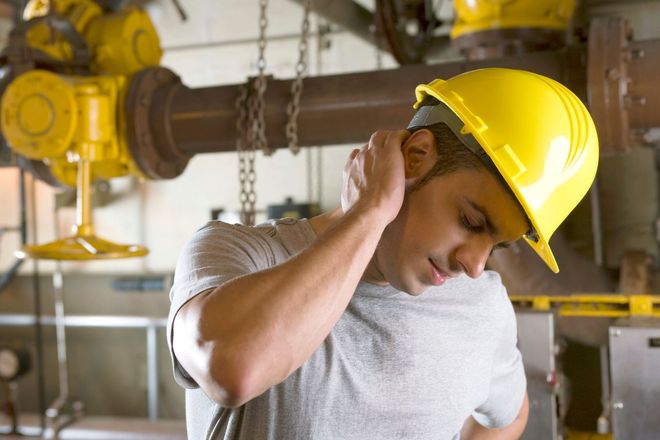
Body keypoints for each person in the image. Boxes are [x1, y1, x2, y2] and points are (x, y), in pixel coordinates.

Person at [166, 68, 599, 439]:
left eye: (497, 245)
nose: (474, 264)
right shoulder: (239, 254)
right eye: (470, 221)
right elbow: (234, 367)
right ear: (414, 158)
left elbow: (510, 414)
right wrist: (369, 212)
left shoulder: (482, 306)